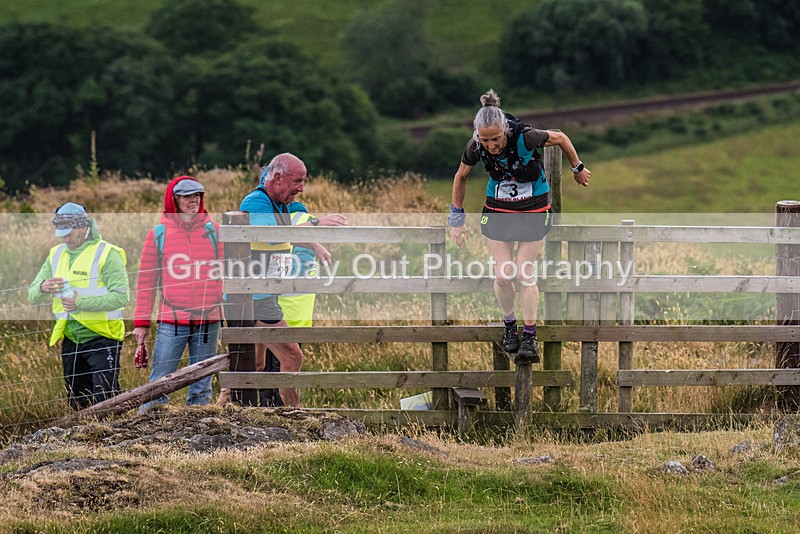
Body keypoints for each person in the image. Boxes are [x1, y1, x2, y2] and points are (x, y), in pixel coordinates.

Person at [448, 89, 591, 364]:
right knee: (503, 275)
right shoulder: (476, 146)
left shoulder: (525, 136)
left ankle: (529, 336)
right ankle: (510, 328)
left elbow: (560, 138)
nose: (491, 145)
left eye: (496, 139)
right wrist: (457, 219)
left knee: (524, 274)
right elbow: (461, 177)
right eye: (485, 140)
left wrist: (577, 168)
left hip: (533, 208)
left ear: (505, 132)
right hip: (499, 209)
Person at [239, 152, 346, 406]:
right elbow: (275, 233)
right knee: (292, 357)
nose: (301, 188)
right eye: (297, 181)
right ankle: (295, 415)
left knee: (254, 362)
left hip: (260, 295)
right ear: (277, 178)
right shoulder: (256, 202)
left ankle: (228, 406)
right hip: (256, 296)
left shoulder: (279, 204)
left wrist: (313, 244)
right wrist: (318, 223)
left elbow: (282, 235)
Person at [133, 176, 224, 412]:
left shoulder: (216, 231)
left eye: (197, 195)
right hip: (171, 321)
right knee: (159, 383)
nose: (193, 200)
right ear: (174, 200)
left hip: (209, 320)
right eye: (186, 196)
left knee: (202, 386)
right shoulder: (158, 235)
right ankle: (148, 430)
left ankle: (200, 433)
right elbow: (146, 281)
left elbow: (229, 273)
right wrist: (141, 322)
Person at [29, 202, 130, 410]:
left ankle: (115, 440)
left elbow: (121, 297)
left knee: (106, 402)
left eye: (69, 233)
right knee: (78, 403)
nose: (65, 239)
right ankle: (83, 443)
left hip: (103, 338)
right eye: (61, 234)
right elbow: (32, 296)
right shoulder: (56, 254)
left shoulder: (107, 254)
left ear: (84, 226)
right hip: (70, 340)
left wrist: (80, 303)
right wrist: (43, 286)